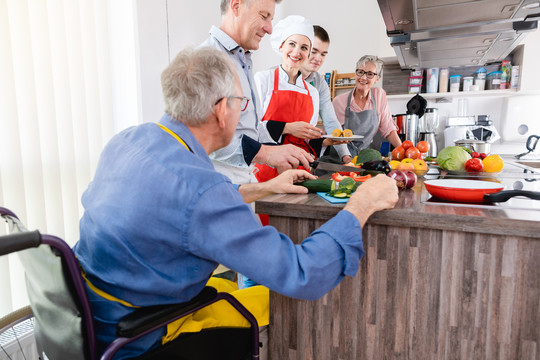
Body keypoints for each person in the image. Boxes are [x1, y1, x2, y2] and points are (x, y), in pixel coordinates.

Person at [73, 47, 399, 359]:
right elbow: (303, 274)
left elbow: (178, 205)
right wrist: (361, 204)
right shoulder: (202, 190)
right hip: (139, 336)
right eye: (241, 103)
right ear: (220, 110)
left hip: (89, 313)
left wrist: (265, 187)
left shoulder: (128, 140)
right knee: (280, 303)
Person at [199, 0, 314, 186]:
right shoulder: (207, 60)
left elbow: (250, 128)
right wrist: (266, 154)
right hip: (218, 188)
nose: (269, 29)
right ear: (236, 7)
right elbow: (205, 139)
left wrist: (282, 152)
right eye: (264, 16)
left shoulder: (242, 60)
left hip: (245, 183)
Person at [253, 15, 346, 182]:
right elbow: (251, 131)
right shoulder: (262, 80)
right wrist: (287, 128)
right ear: (281, 46)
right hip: (265, 173)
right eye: (292, 44)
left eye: (304, 47)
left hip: (299, 173)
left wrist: (325, 142)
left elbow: (304, 141)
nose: (297, 52)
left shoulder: (312, 92)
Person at [300, 25, 352, 164]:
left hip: (305, 153)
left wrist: (345, 156)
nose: (318, 58)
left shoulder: (319, 81)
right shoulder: (274, 77)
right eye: (314, 51)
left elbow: (330, 121)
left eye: (323, 54)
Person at [332, 55, 402, 158]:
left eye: (370, 74)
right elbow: (334, 135)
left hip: (364, 157)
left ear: (377, 78)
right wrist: (346, 158)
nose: (363, 78)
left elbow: (388, 129)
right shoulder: (339, 101)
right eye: (360, 72)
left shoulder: (379, 95)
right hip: (340, 158)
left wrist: (403, 150)